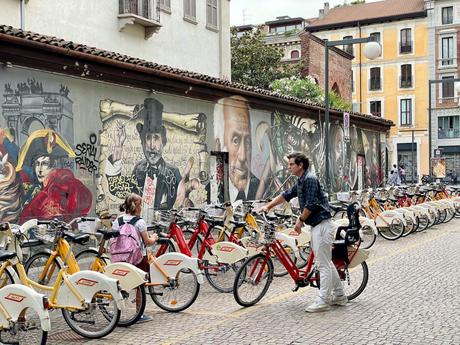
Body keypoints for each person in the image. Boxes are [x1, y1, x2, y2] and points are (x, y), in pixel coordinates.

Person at [258, 152, 346, 313]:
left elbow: (312, 204)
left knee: (323, 264)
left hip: (322, 225)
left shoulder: (310, 179)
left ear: (300, 165)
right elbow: (286, 195)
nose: (288, 166)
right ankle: (339, 295)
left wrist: (300, 221)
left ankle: (323, 300)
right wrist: (268, 206)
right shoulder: (301, 180)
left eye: (291, 164)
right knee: (326, 262)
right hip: (317, 225)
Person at [107, 98, 182, 209]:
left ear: (163, 142)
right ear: (142, 142)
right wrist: (118, 146)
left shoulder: (173, 172)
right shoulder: (139, 169)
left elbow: (180, 200)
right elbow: (117, 189)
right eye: (148, 138)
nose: (152, 145)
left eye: (156, 138)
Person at [112, 193, 158, 323]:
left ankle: (117, 313)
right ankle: (139, 314)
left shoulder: (118, 220)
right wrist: (154, 237)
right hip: (138, 257)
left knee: (119, 284)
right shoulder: (140, 222)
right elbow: (147, 242)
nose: (142, 207)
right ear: (136, 206)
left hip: (121, 257)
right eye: (140, 204)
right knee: (140, 285)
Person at [215, 96, 260, 201]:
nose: (243, 156)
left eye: (248, 141)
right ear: (218, 147)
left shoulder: (262, 187)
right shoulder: (207, 192)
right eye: (235, 140)